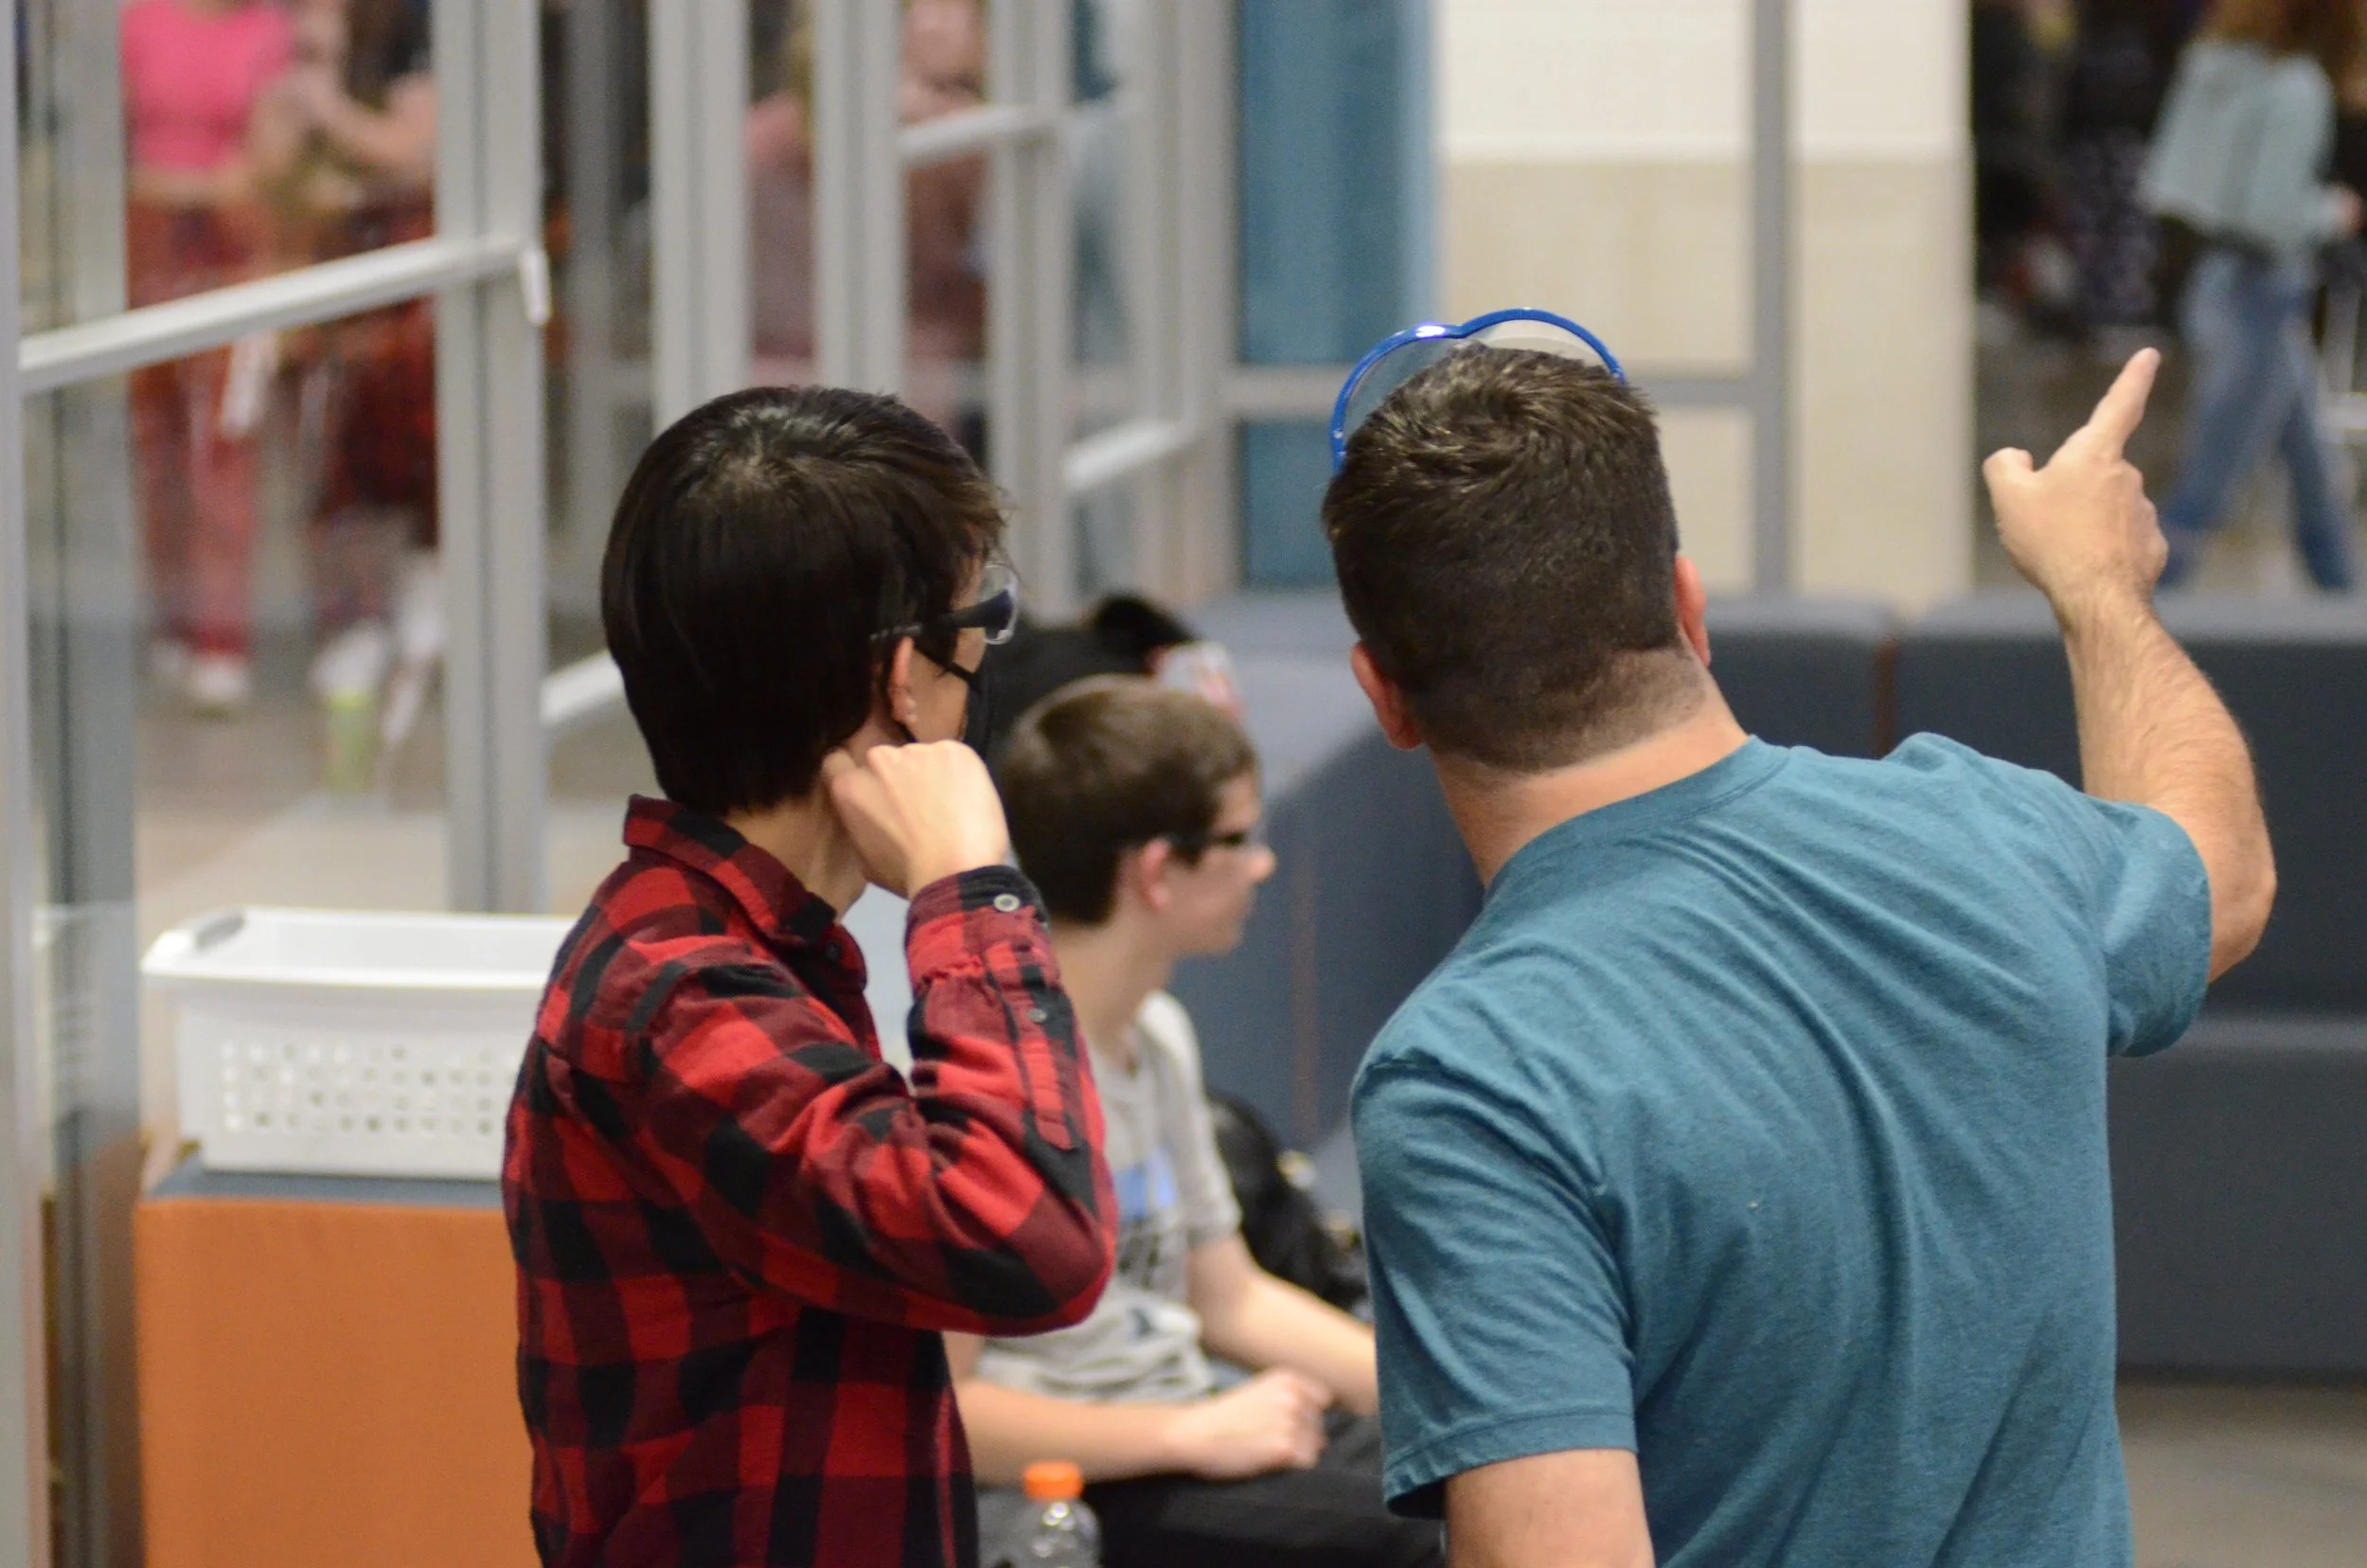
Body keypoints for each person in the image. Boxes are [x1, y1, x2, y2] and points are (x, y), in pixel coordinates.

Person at [1324, 347, 2271, 1567]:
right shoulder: (1985, 833)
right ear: (1688, 608)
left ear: (1385, 697)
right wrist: (2099, 588)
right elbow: (2220, 878)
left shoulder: (1468, 1080)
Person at [504, 386, 1117, 1568]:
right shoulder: (678, 994)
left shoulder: (740, 948)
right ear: (903, 679)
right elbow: (1033, 1240)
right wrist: (970, 889)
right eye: (980, 628)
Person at [955, 678, 1441, 1568]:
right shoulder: (986, 1085)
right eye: (1237, 840)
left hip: (1190, 1424)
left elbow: (1230, 1299)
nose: (1262, 865)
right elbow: (953, 1414)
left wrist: (1453, 1398)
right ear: (1156, 871)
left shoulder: (1158, 1034)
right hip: (1085, 1482)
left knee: (1484, 1472)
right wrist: (1189, 1433)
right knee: (1430, 1538)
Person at [2144, 0, 2362, 588]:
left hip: (2213, 280)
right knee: (2205, 488)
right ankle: (2136, 614)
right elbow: (2273, 214)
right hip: (2260, 293)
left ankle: (2345, 610)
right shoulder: (2296, 88)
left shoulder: (2210, 65)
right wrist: (2334, 212)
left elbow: (2167, 179)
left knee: (2315, 478)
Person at [120, 0, 296, 714]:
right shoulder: (140, 19)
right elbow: (103, 150)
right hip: (148, 254)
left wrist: (173, 185)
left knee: (225, 451)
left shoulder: (268, 31)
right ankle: (174, 618)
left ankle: (221, 637)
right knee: (156, 448)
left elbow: (269, 165)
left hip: (232, 253)